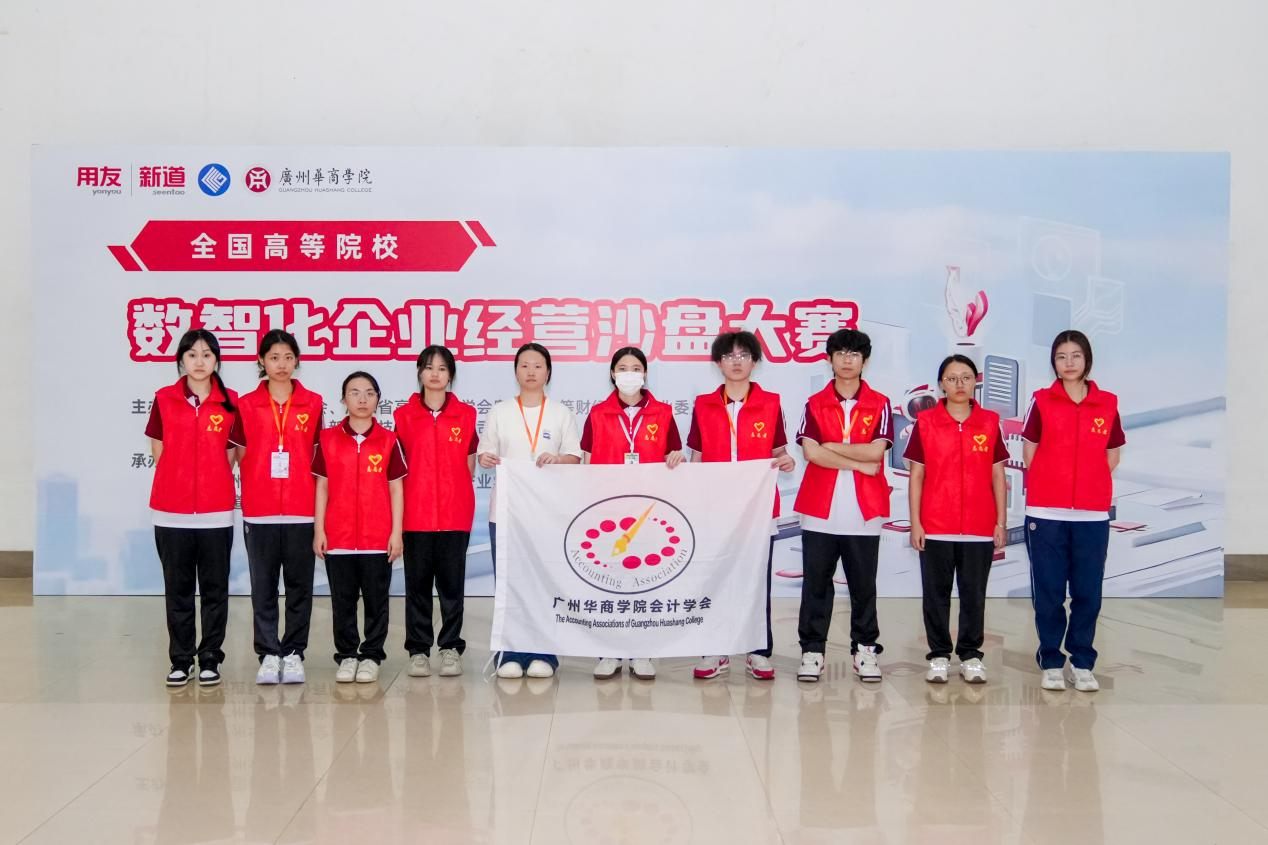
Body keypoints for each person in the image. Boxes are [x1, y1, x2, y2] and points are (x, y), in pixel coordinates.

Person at [686, 330, 796, 681]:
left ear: (755, 362)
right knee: (715, 577)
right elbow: (697, 458)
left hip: (757, 509)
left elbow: (779, 451)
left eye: (744, 355)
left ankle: (758, 651)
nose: (736, 362)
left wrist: (787, 461)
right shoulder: (703, 404)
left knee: (756, 580)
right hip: (714, 510)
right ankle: (714, 649)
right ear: (718, 364)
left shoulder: (771, 403)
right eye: (729, 356)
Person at [1023, 330, 1125, 692]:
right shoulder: (1041, 401)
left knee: (1087, 593)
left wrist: (1089, 482)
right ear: (1053, 362)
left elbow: (1112, 453)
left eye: (1076, 355)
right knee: (1049, 592)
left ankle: (1082, 662)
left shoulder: (1107, 404)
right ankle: (1051, 660)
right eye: (1061, 356)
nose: (1068, 363)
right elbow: (1030, 449)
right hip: (1046, 514)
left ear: (1087, 360)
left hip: (1091, 516)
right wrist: (1050, 482)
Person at [792, 328, 893, 683]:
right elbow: (811, 453)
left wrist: (832, 446)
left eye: (854, 354)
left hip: (864, 511)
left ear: (865, 361)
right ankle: (812, 651)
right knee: (816, 585)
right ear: (829, 359)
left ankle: (865, 650)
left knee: (863, 586)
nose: (847, 360)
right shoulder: (814, 403)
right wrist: (858, 464)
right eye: (840, 353)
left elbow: (876, 452)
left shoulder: (880, 403)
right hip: (819, 510)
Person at [477, 343, 583, 679]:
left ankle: (543, 654)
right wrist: (485, 458)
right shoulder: (500, 412)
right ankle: (509, 653)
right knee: (509, 583)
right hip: (506, 512)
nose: (531, 371)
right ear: (515, 371)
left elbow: (575, 457)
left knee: (542, 582)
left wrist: (558, 459)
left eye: (538, 366)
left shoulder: (561, 413)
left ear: (548, 372)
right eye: (524, 365)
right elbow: (484, 452)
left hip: (546, 514)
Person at [580, 346, 685, 681]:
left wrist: (677, 458)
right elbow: (586, 463)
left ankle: (642, 651)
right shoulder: (598, 414)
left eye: (636, 368)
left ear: (645, 374)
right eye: (622, 368)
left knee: (645, 583)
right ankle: (608, 651)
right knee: (608, 583)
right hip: (608, 513)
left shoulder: (663, 413)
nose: (629, 373)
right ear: (612, 374)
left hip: (650, 513)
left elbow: (674, 454)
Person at [145, 329, 240, 687]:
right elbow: (158, 447)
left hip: (216, 512)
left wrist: (211, 481)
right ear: (181, 360)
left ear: (217, 360)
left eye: (207, 355)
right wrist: (178, 479)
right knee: (178, 590)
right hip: (171, 511)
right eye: (192, 354)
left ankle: (211, 657)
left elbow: (231, 454)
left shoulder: (230, 403)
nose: (200, 362)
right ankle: (181, 659)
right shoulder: (165, 398)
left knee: (215, 590)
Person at [905, 354, 1008, 684]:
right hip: (936, 524)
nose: (959, 384)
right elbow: (916, 476)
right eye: (952, 378)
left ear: (975, 382)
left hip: (979, 526)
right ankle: (938, 655)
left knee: (973, 595)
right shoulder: (926, 422)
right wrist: (916, 522)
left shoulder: (990, 422)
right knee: (935, 596)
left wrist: (1000, 522)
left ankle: (970, 655)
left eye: (966, 377)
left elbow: (998, 475)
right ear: (941, 385)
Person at [231, 330, 324, 685]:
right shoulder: (246, 405)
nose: (281, 364)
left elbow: (317, 458)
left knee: (300, 587)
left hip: (301, 508)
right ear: (261, 361)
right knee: (264, 587)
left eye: (288, 357)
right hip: (260, 509)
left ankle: (295, 652)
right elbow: (239, 454)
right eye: (274, 358)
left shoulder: (313, 403)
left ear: (297, 361)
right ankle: (269, 653)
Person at [312, 372, 407, 684]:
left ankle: (371, 655)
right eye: (354, 392)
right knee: (343, 601)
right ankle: (347, 655)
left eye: (369, 393)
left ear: (378, 399)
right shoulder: (327, 439)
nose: (362, 399)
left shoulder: (389, 440)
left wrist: (396, 532)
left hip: (376, 537)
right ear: (343, 399)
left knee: (377, 601)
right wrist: (319, 529)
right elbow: (322, 487)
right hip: (338, 536)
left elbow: (396, 489)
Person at [394, 346, 478, 678]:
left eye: (442, 369)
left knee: (451, 587)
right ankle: (418, 650)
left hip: (455, 515)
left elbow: (469, 464)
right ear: (419, 372)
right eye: (429, 367)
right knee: (417, 587)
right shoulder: (403, 417)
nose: (435, 374)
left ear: (451, 375)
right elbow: (397, 470)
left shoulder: (466, 415)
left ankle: (450, 648)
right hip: (415, 515)